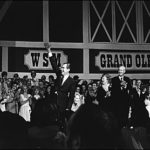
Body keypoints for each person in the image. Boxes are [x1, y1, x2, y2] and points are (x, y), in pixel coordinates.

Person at [45, 43, 76, 132]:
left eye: (64, 68)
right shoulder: (59, 74)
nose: (62, 69)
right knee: (51, 124)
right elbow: (53, 63)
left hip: (63, 105)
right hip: (53, 103)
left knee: (61, 125)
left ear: (68, 69)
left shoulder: (72, 81)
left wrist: (68, 108)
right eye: (62, 68)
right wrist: (49, 51)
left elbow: (71, 96)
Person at [111, 65, 132, 129]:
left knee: (125, 118)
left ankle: (125, 130)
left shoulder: (127, 79)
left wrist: (125, 87)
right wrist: (120, 87)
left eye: (122, 70)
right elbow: (113, 91)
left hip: (125, 103)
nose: (120, 71)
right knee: (117, 118)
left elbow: (130, 90)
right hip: (117, 103)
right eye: (119, 70)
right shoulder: (114, 79)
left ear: (124, 71)